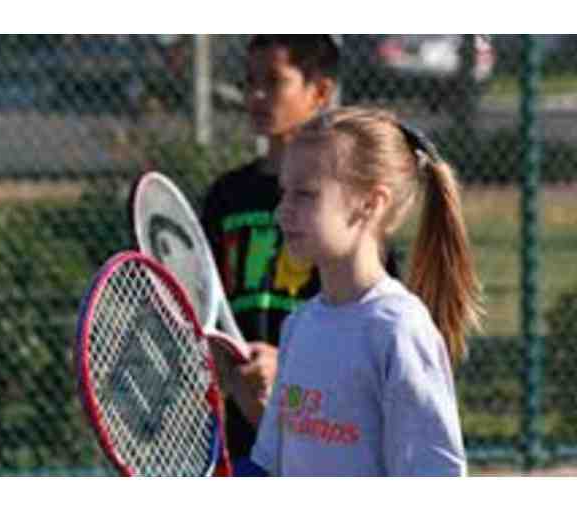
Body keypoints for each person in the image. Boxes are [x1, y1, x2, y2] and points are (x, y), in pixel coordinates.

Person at [249, 107, 484, 476]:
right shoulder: (299, 325)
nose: (282, 211)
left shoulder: (398, 329)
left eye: (305, 194)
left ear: (371, 204)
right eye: (284, 192)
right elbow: (269, 466)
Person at [201, 36, 402, 463]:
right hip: (235, 437)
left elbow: (374, 329)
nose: (256, 95)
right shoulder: (226, 196)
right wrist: (224, 367)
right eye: (250, 81)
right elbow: (201, 298)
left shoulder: (344, 203)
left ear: (320, 91)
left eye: (274, 82)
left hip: (326, 432)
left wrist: (291, 367)